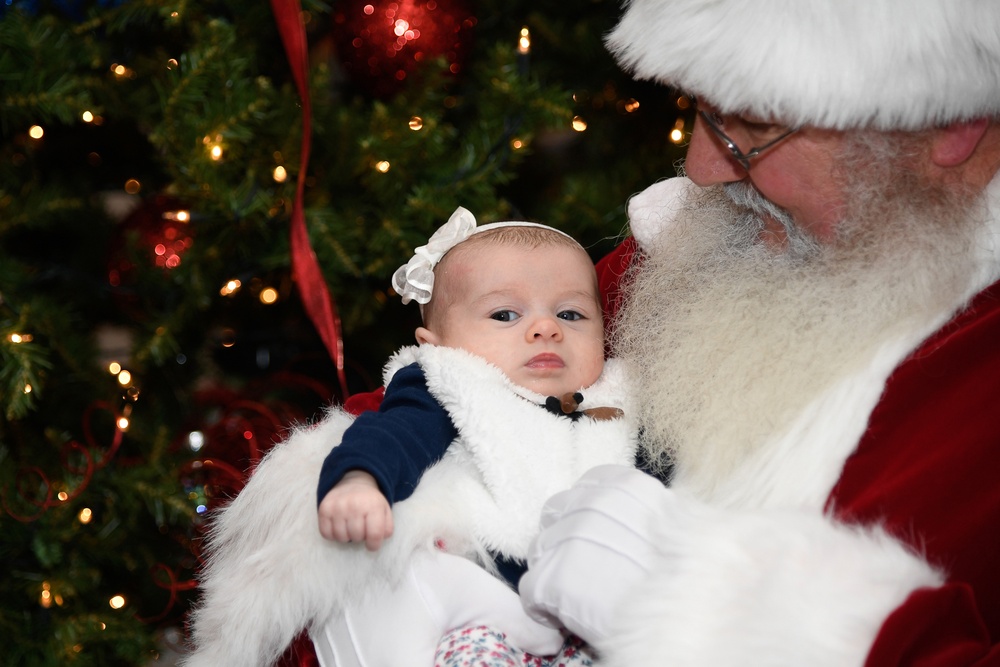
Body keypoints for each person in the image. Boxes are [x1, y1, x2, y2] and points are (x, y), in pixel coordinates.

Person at [507, 0, 1000, 665]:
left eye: (757, 125)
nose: (702, 167)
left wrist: (717, 617)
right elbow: (481, 376)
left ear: (950, 124)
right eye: (700, 110)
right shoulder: (712, 231)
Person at [181, 207, 638, 667]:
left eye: (571, 312)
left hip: (597, 616)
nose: (546, 328)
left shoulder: (622, 395)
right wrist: (361, 480)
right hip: (486, 608)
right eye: (504, 313)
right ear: (435, 344)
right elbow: (395, 434)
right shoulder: (451, 383)